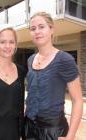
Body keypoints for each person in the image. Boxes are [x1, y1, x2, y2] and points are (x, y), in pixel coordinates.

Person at [25, 12, 83, 140]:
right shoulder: (30, 60)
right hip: (29, 128)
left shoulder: (65, 59)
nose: (37, 31)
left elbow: (77, 100)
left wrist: (71, 136)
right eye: (33, 29)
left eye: (41, 27)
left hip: (53, 131)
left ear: (51, 29)